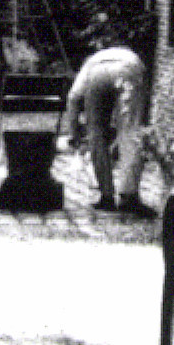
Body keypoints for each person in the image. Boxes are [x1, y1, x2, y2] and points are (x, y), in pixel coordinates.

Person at [68, 26, 151, 214]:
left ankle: (106, 196)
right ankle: (129, 196)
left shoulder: (91, 61)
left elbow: (73, 97)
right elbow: (141, 106)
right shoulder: (134, 59)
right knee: (129, 133)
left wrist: (74, 133)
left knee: (96, 134)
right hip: (128, 72)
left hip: (96, 75)